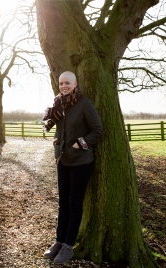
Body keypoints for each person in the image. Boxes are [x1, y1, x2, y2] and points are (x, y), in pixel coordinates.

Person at [42, 71, 103, 264]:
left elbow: (97, 131)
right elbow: (56, 127)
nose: (64, 86)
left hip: (80, 162)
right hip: (62, 160)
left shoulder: (85, 104)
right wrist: (57, 141)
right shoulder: (58, 104)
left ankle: (68, 246)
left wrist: (80, 143)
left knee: (75, 204)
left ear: (75, 84)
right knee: (63, 204)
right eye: (61, 83)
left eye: (67, 83)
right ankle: (59, 242)